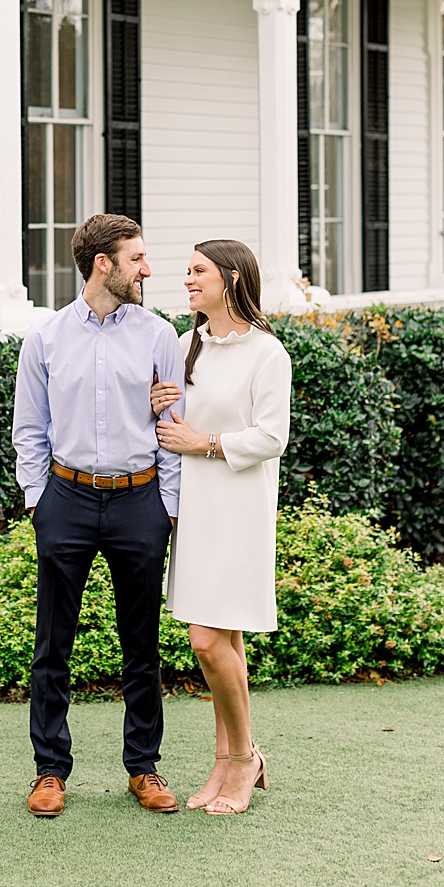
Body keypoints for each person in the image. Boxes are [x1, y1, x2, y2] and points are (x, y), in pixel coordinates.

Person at [12, 213, 187, 818]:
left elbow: (173, 427)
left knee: (141, 644)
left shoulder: (161, 335)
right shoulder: (46, 338)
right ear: (102, 265)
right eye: (136, 258)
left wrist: (167, 503)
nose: (147, 269)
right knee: (52, 643)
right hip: (67, 499)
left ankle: (144, 767)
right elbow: (29, 430)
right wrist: (38, 500)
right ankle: (49, 771)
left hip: (140, 501)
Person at [148, 239, 291, 816]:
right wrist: (159, 404)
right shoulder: (186, 347)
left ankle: (244, 758)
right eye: (186, 272)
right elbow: (174, 428)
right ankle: (227, 757)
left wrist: (202, 443)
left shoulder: (267, 353)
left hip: (240, 511)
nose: (187, 280)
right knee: (220, 642)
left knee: (209, 641)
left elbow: (270, 437)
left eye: (198, 272)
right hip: (196, 510)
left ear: (231, 278)